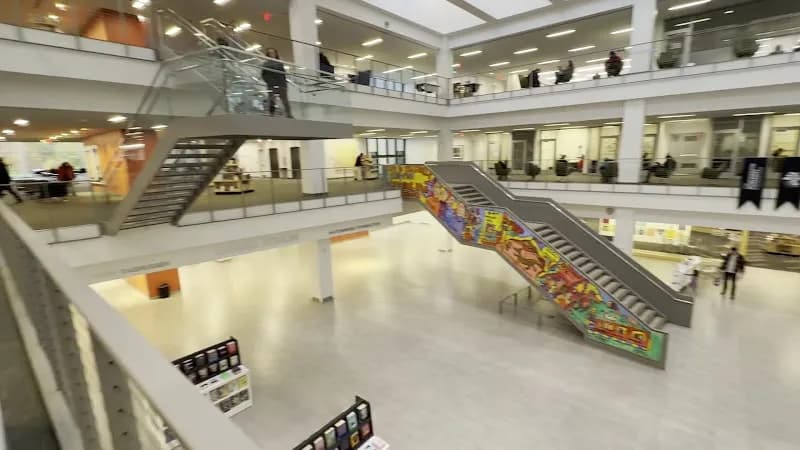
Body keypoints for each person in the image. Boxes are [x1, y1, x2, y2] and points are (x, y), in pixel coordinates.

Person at [262, 48, 294, 118]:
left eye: (273, 53)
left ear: (276, 54)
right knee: (271, 100)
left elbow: (283, 74)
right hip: (271, 85)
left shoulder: (280, 63)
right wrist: (270, 82)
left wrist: (284, 84)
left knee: (285, 100)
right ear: (268, 55)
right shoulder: (265, 64)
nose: (272, 54)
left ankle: (289, 114)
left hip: (281, 84)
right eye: (270, 53)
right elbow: (264, 75)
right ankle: (271, 114)